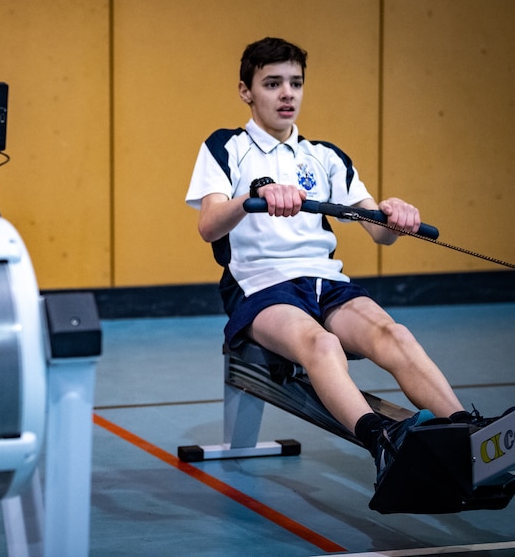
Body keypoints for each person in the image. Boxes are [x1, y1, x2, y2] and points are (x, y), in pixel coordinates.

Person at [185, 37, 487, 484]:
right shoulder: (226, 147)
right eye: (272, 83)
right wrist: (253, 195)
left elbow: (378, 231)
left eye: (295, 83)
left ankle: (475, 437)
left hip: (326, 282)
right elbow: (209, 225)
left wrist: (397, 216)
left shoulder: (324, 157)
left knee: (394, 334)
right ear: (246, 91)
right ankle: (383, 442)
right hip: (261, 286)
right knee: (321, 346)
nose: (287, 93)